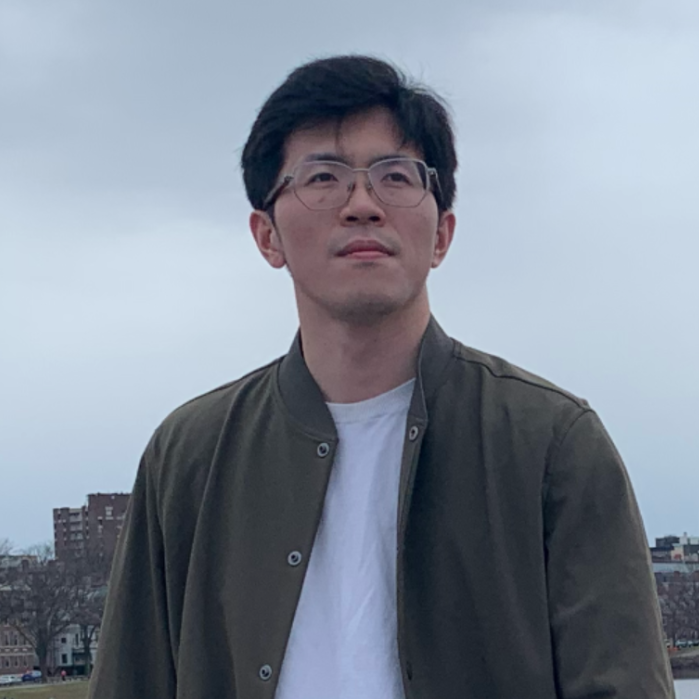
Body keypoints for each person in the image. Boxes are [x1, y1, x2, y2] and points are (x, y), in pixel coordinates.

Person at [88, 55, 674, 698]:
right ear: (266, 235)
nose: (362, 205)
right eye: (323, 177)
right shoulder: (188, 457)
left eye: (395, 176)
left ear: (442, 233)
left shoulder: (551, 443)